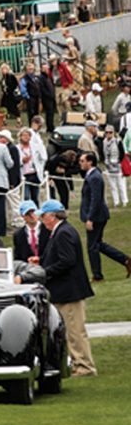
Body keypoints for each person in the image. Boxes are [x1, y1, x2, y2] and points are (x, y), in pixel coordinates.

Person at [36, 200, 95, 376]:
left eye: (43, 216)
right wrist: (41, 262)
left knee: (75, 331)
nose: (41, 219)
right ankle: (77, 363)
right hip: (65, 291)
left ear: (52, 216)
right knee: (70, 330)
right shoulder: (61, 231)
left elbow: (67, 261)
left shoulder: (63, 233)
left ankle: (84, 366)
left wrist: (44, 272)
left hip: (69, 291)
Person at [78, 152, 131, 281]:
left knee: (92, 247)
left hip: (97, 216)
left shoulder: (95, 177)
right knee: (98, 244)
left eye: (82, 161)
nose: (80, 163)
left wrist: (90, 218)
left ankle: (97, 275)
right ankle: (125, 260)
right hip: (96, 215)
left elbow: (96, 199)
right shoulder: (91, 175)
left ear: (90, 162)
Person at [100, 125, 127, 207]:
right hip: (108, 166)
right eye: (107, 132)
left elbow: (122, 153)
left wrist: (118, 161)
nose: (108, 134)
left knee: (121, 184)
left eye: (110, 132)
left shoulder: (118, 141)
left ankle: (124, 200)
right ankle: (116, 201)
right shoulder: (103, 142)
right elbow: (102, 153)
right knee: (112, 186)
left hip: (118, 166)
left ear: (113, 133)